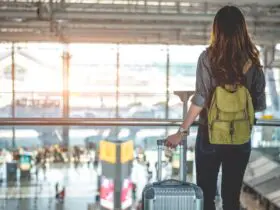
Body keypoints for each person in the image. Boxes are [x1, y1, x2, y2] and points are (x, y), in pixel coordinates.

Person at [166, 5, 266, 210]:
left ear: (216, 29)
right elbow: (258, 104)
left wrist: (181, 132)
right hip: (240, 137)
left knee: (206, 197)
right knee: (231, 199)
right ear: (242, 29)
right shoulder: (253, 61)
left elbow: (199, 100)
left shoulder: (208, 58)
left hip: (209, 135)